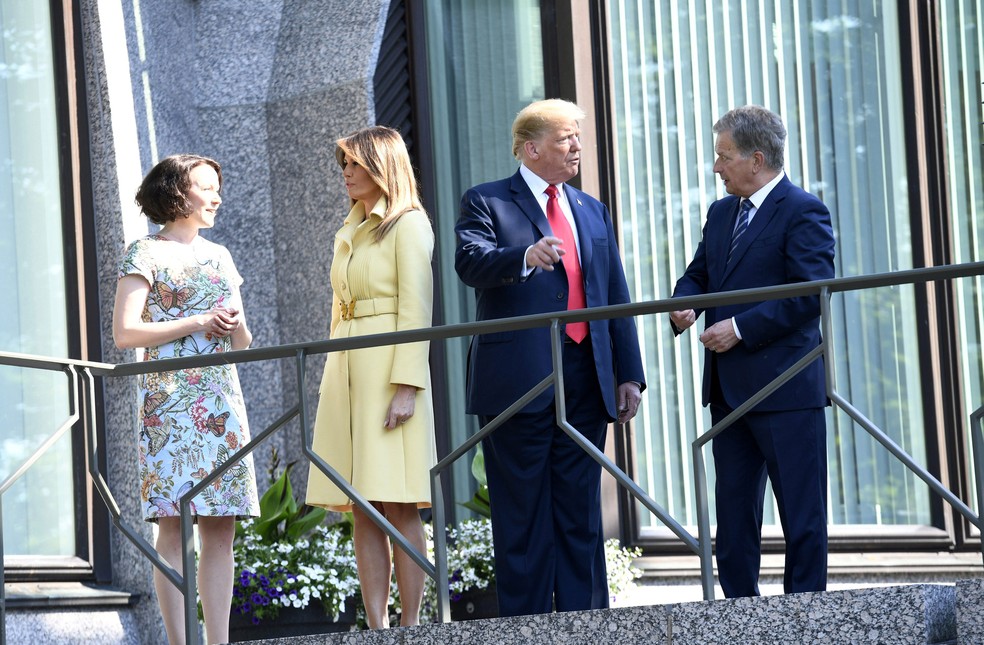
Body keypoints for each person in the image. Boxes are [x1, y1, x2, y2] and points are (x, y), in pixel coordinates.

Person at [455, 98, 646, 617]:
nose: (577, 146)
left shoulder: (590, 208)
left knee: (582, 511)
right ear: (531, 147)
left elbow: (613, 292)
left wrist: (629, 373)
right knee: (522, 515)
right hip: (521, 382)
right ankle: (527, 627)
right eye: (567, 138)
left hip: (588, 376)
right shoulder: (488, 201)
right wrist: (523, 256)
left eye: (578, 137)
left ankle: (588, 624)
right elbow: (469, 263)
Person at [669, 105, 836, 598]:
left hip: (786, 388)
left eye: (723, 157)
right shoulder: (722, 212)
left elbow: (811, 294)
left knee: (801, 515)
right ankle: (740, 613)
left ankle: (805, 616)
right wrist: (684, 304)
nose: (716, 167)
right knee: (734, 518)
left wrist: (739, 328)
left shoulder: (804, 210)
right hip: (729, 392)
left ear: (757, 158)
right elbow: (699, 273)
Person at [113, 154, 260, 644]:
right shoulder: (144, 252)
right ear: (178, 192)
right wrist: (198, 322)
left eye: (219, 187)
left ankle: (217, 641)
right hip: (169, 403)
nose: (217, 196)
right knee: (173, 526)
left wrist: (231, 322)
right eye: (207, 187)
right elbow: (125, 333)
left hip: (220, 400)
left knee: (221, 527)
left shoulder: (220, 255)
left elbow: (244, 343)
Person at [305, 126, 436, 629]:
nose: (346, 173)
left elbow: (417, 309)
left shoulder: (408, 224)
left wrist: (407, 386)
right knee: (361, 505)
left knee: (397, 501)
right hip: (349, 371)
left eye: (356, 164)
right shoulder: (354, 225)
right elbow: (341, 306)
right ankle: (377, 626)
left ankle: (410, 624)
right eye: (344, 164)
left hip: (388, 371)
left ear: (383, 166)